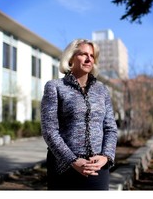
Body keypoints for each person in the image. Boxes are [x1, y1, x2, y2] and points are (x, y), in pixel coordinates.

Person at [40, 39, 118, 190]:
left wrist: (106, 157)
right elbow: (49, 131)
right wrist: (73, 160)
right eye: (83, 54)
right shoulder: (55, 87)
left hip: (97, 168)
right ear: (70, 58)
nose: (89, 59)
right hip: (64, 168)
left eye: (92, 55)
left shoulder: (102, 90)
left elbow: (110, 128)